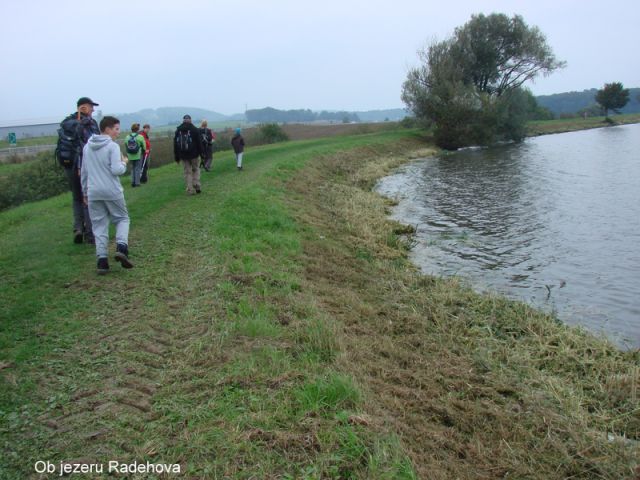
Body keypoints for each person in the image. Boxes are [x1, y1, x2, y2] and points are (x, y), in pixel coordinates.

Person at [81, 116, 133, 275]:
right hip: (111, 190)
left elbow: (84, 172)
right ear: (108, 129)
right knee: (122, 218)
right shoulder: (112, 146)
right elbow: (116, 170)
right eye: (116, 129)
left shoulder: (87, 147)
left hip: (93, 191)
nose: (118, 132)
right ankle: (121, 247)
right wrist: (124, 162)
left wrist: (84, 191)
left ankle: (102, 261)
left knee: (99, 225)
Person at [57, 97, 100, 244]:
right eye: (90, 107)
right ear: (82, 108)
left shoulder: (66, 124)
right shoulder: (88, 123)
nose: (93, 110)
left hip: (68, 165)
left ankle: (78, 228)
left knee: (76, 197)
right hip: (85, 165)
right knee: (87, 197)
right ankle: (90, 233)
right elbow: (95, 143)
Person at [173, 114, 204, 194]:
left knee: (187, 172)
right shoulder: (194, 129)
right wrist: (202, 154)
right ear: (190, 120)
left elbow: (175, 144)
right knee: (196, 169)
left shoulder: (178, 130)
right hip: (194, 155)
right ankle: (196, 184)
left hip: (183, 155)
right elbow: (199, 143)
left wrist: (177, 156)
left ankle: (190, 189)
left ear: (183, 120)